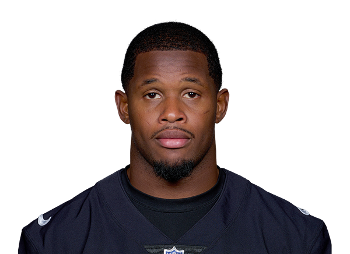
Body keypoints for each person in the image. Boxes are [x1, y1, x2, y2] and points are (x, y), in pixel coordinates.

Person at [19, 22, 331, 253]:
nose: (172, 112)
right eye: (152, 94)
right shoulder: (54, 241)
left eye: (191, 93)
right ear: (124, 107)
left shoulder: (297, 238)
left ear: (219, 105)